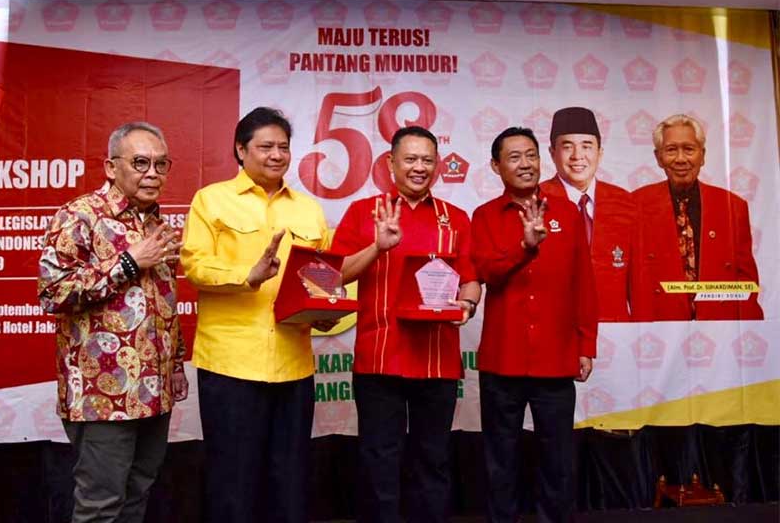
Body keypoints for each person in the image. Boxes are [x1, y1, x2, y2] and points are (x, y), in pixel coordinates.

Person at [180, 107, 331, 523]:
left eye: (283, 147)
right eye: (265, 147)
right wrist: (248, 276)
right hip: (231, 364)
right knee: (233, 481)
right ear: (240, 150)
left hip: (293, 363)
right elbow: (195, 266)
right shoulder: (211, 200)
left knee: (290, 479)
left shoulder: (308, 209)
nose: (276, 155)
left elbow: (322, 274)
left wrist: (324, 309)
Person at [38, 121, 188, 523]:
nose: (152, 173)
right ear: (110, 167)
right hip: (102, 396)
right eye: (140, 163)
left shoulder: (156, 224)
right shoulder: (80, 215)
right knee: (100, 506)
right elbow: (52, 292)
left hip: (155, 391)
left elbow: (164, 302)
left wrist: (175, 364)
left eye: (161, 164)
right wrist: (128, 263)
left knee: (137, 495)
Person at [332, 126, 481, 523]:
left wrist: (467, 305)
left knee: (433, 459)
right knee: (379, 460)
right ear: (390, 163)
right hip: (379, 358)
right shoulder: (363, 212)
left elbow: (471, 280)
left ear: (437, 164)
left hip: (437, 361)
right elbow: (335, 274)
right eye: (410, 159)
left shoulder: (456, 218)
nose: (419, 167)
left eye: (427, 160)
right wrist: (377, 246)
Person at [470, 127, 597, 523]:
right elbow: (487, 272)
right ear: (496, 166)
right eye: (514, 157)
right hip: (502, 359)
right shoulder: (484, 216)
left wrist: (586, 345)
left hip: (556, 358)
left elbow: (584, 282)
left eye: (531, 155)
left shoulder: (568, 213)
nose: (525, 164)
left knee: (557, 459)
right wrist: (525, 247)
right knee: (500, 459)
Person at [630, 114, 763, 320]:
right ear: (658, 158)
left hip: (719, 326)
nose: (681, 159)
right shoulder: (635, 205)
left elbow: (746, 283)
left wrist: (744, 331)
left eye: (689, 149)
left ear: (703, 155)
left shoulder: (732, 206)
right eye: (671, 150)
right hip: (658, 327)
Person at [540, 106, 635, 321]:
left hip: (614, 327)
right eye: (567, 147)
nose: (577, 156)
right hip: (554, 325)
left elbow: (639, 280)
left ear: (600, 153)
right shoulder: (536, 201)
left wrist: (639, 330)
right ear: (552, 153)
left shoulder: (624, 202)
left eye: (587, 146)